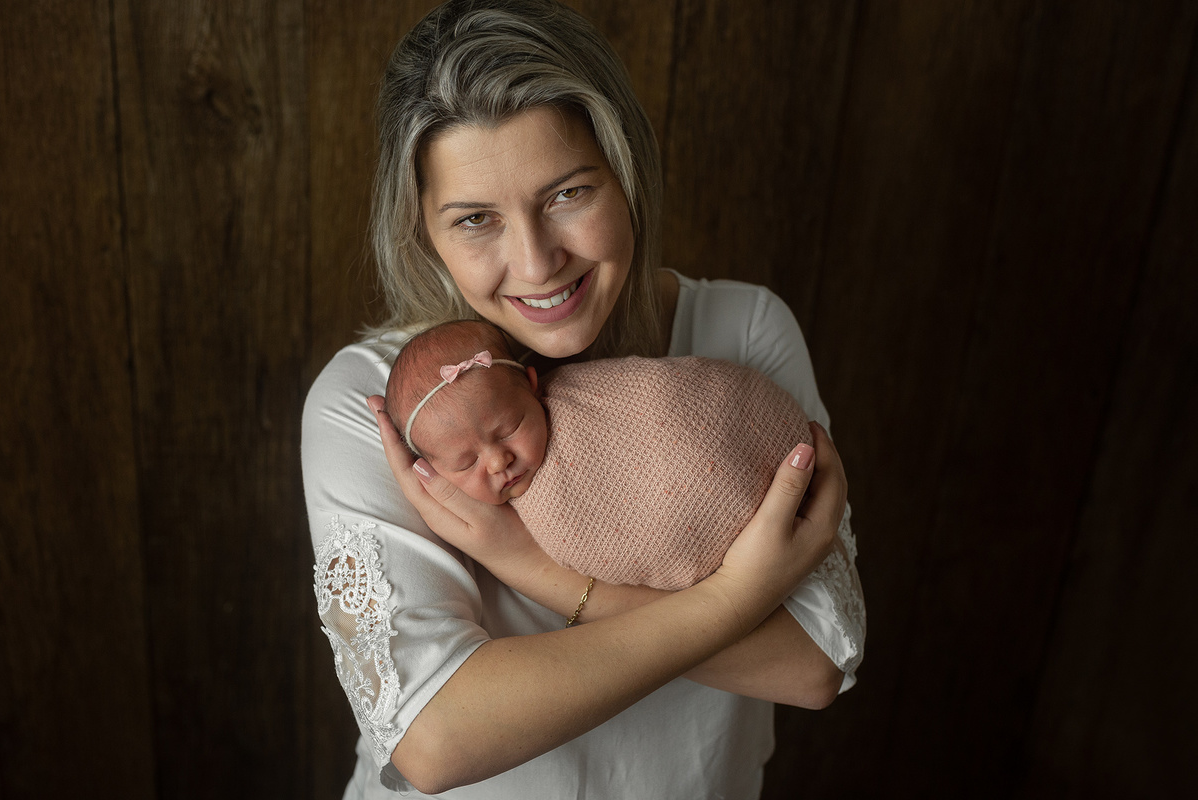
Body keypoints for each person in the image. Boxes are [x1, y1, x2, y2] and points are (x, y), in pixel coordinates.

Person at [301, 1, 865, 797]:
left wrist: (536, 570)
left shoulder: (741, 331)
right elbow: (435, 738)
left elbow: (812, 665)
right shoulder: (379, 405)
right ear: (423, 231)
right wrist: (737, 600)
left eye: (567, 193)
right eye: (475, 220)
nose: (535, 263)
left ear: (625, 172)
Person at [385, 318, 817, 591]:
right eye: (466, 463)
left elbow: (660, 396)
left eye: (510, 429)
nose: (498, 462)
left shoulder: (584, 394)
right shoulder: (539, 516)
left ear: (533, 385)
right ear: (433, 470)